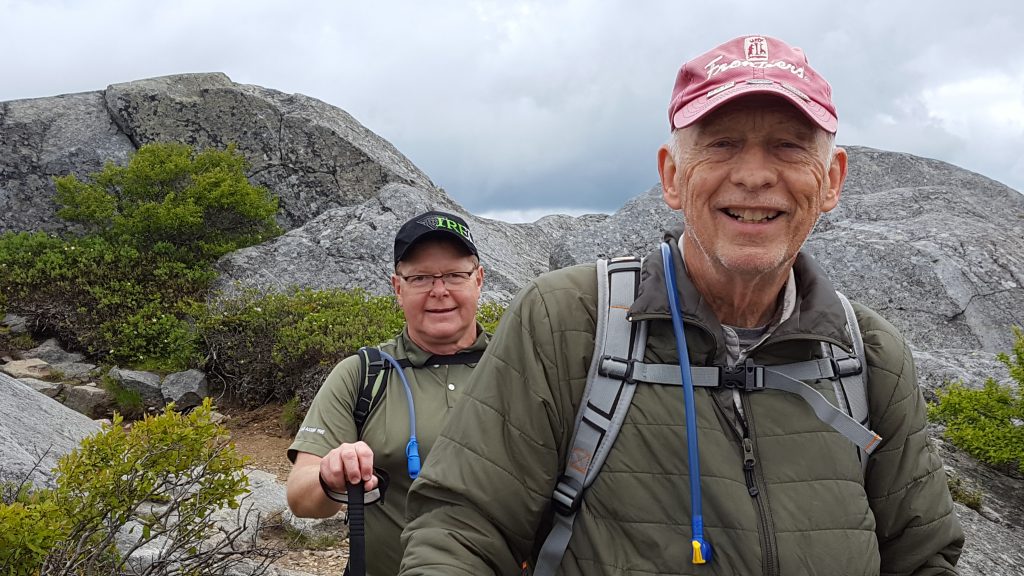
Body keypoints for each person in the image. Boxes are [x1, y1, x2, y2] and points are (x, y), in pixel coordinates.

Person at [399, 36, 964, 575]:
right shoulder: (568, 321)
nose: (754, 175)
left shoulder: (868, 354)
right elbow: (462, 529)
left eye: (789, 145)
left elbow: (923, 558)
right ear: (671, 176)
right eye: (721, 143)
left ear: (832, 180)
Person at [286, 210, 489, 576]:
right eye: (421, 278)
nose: (439, 290)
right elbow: (301, 497)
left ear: (479, 280)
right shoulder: (363, 374)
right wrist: (329, 478)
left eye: (455, 275)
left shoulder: (518, 366)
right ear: (398, 288)